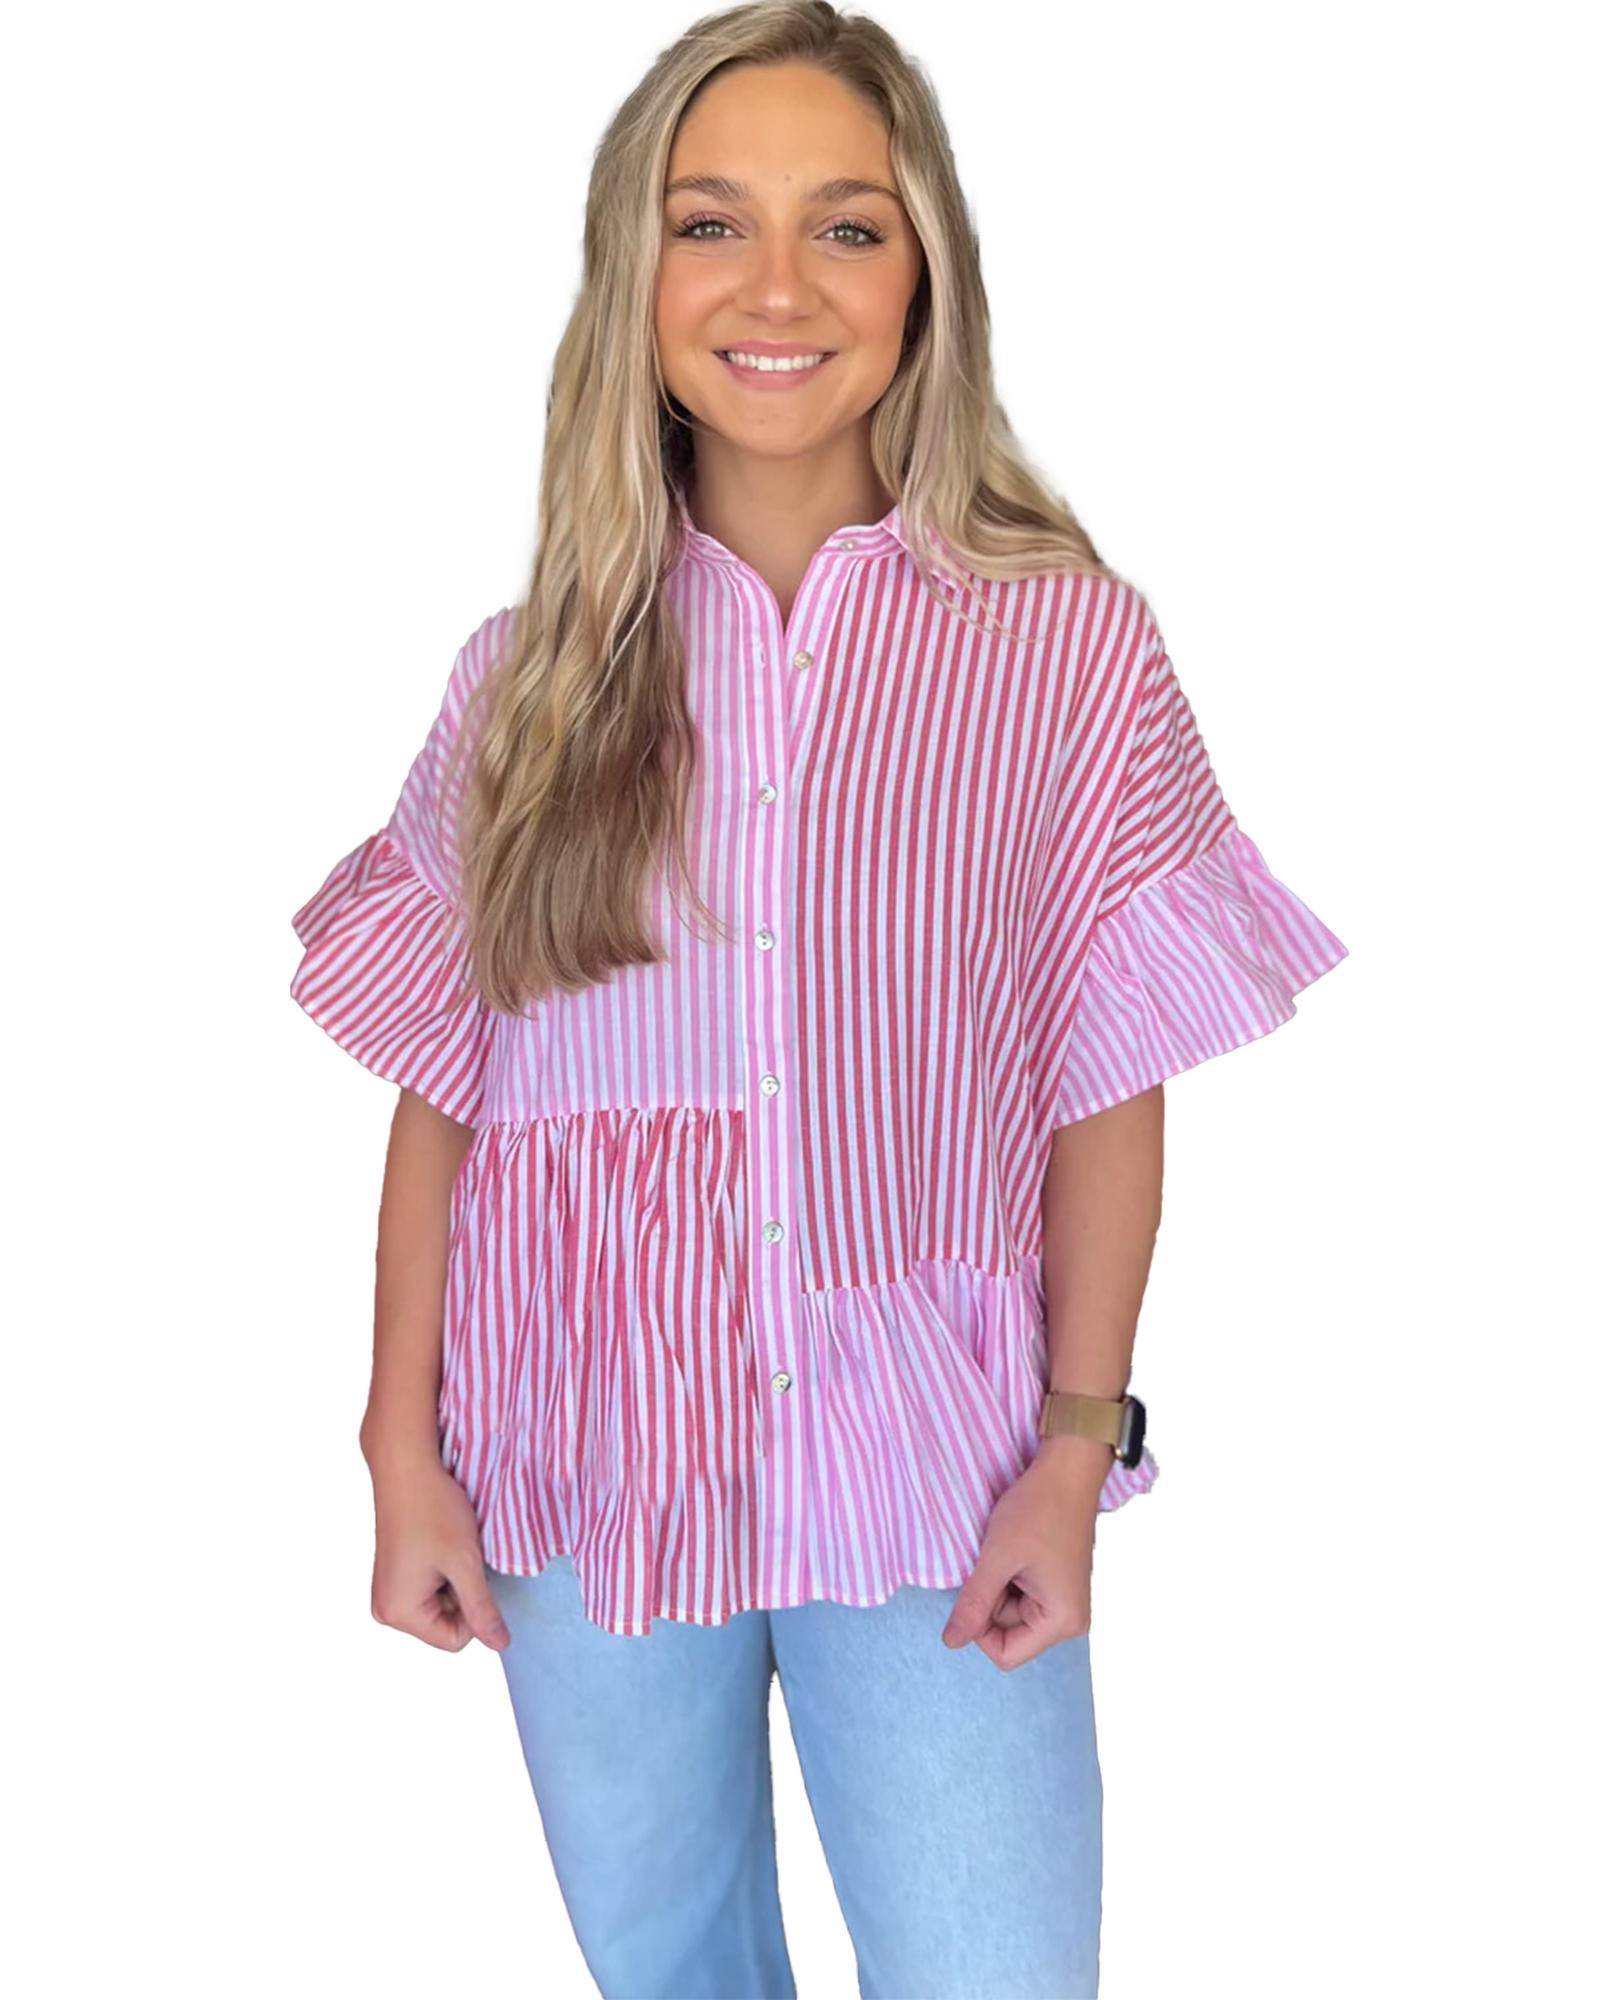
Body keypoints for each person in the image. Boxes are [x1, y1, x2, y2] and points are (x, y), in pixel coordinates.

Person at [287, 5, 1349, 1995]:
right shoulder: (527, 680)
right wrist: (398, 1448)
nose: (776, 286)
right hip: (589, 1451)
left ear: (923, 275)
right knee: (670, 1963)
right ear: (635, 278)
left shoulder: (1066, 654)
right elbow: (445, 1080)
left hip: (934, 1467)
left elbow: (1104, 1076)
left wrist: (1072, 1447)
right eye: (711, 223)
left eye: (845, 226)